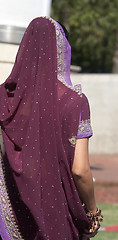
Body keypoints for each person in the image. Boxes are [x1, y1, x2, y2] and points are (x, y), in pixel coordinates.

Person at [0, 17, 103, 240]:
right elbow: (80, 170)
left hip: (8, 217)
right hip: (55, 216)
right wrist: (93, 213)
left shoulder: (5, 98)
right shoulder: (74, 102)